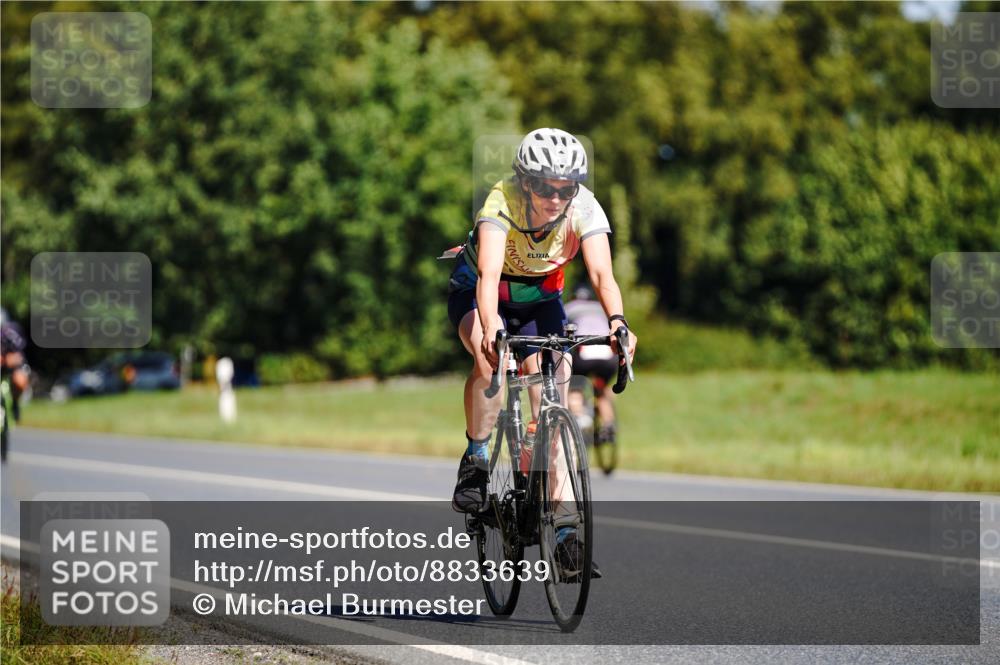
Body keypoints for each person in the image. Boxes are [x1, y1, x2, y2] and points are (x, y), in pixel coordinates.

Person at [444, 127, 637, 575]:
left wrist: (618, 324)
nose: (555, 198)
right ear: (525, 182)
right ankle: (476, 456)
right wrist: (491, 326)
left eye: (565, 188)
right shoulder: (501, 201)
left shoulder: (584, 208)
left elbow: (604, 276)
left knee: (552, 404)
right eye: (544, 187)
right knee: (488, 359)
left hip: (540, 300)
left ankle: (566, 530)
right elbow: (489, 277)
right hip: (480, 291)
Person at [564, 284, 619, 446]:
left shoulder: (569, 307)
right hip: (608, 356)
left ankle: (580, 417)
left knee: (575, 387)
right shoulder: (601, 308)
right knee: (601, 389)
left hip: (584, 355)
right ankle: (608, 425)